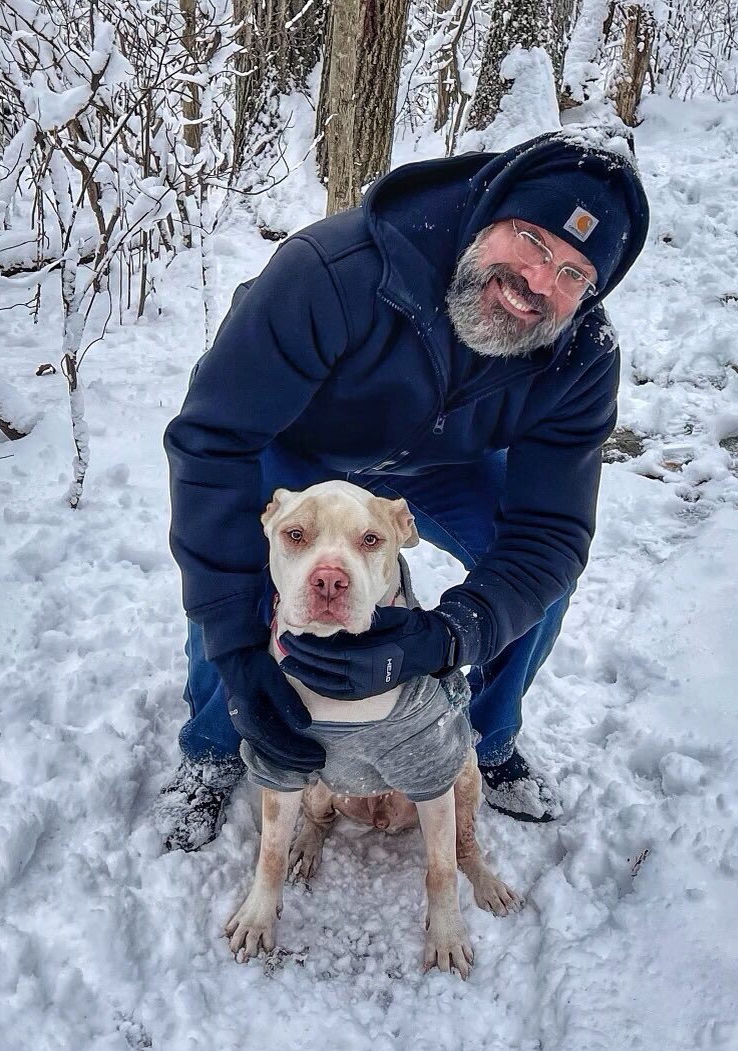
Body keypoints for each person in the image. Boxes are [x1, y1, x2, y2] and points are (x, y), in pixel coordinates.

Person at [156, 129, 650, 852]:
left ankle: (480, 738)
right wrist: (238, 650)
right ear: (487, 216)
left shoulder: (578, 357)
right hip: (294, 446)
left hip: (438, 468)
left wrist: (448, 636)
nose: (538, 284)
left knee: (533, 583)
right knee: (250, 567)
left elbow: (549, 535)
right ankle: (214, 743)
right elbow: (212, 444)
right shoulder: (333, 270)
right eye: (531, 243)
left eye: (574, 273)